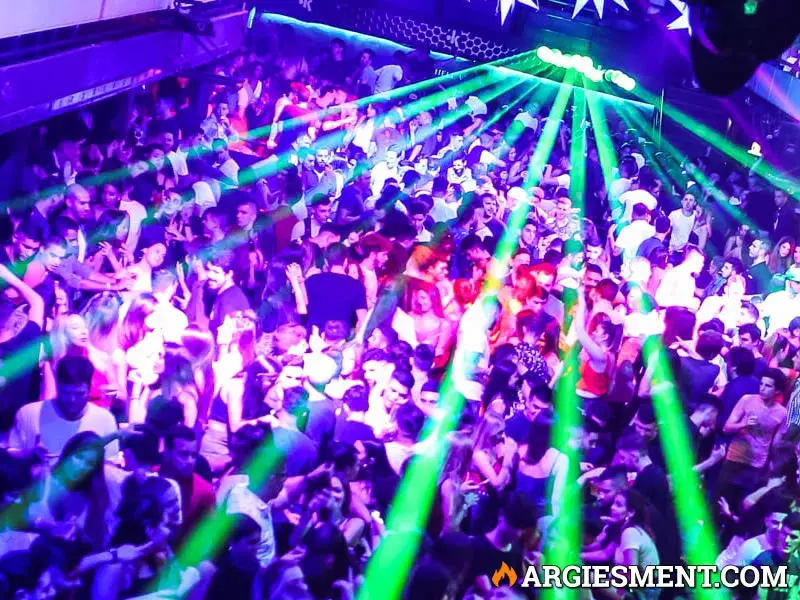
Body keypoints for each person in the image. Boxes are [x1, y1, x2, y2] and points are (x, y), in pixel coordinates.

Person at [11, 356, 118, 461]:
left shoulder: (105, 420)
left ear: (90, 388)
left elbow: (111, 465)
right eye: (65, 393)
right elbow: (9, 458)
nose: (72, 400)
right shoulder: (28, 414)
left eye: (79, 394)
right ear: (57, 386)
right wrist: (28, 456)